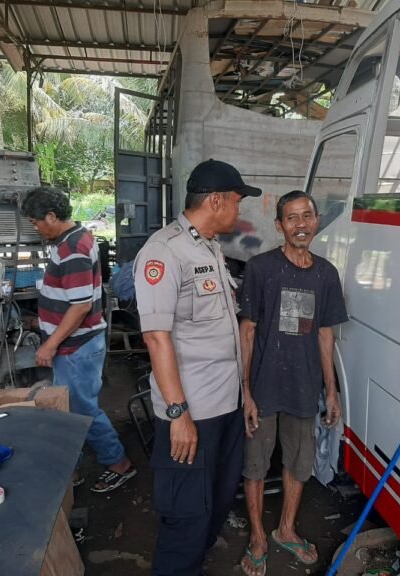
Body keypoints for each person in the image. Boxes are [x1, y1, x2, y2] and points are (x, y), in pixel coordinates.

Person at [134, 159, 261, 576]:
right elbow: (156, 337)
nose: (240, 211)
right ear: (216, 200)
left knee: (217, 502)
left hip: (224, 405)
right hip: (191, 413)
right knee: (186, 515)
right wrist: (177, 414)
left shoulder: (207, 246)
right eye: (238, 202)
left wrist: (244, 396)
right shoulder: (164, 251)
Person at [238, 190, 348, 576]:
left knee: (300, 464)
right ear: (279, 225)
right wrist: (246, 392)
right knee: (254, 465)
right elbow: (247, 332)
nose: (300, 224)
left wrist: (330, 390)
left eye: (307, 216)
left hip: (304, 387)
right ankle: (257, 537)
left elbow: (324, 334)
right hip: (265, 387)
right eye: (292, 218)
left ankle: (285, 529)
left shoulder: (326, 273)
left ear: (317, 220)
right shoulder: (260, 269)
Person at [22, 186, 136, 493]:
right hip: (76, 344)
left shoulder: (72, 249)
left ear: (51, 216)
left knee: (82, 409)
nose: (35, 227)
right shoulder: (70, 240)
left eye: (35, 221)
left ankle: (118, 462)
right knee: (77, 406)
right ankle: (76, 464)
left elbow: (81, 305)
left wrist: (50, 343)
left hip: (77, 346)